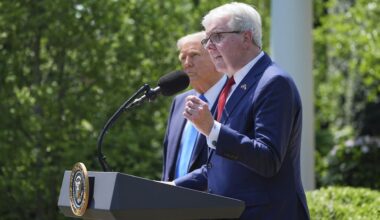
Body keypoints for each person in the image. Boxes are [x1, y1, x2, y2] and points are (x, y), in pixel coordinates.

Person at [173, 2, 310, 220]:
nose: (209, 46)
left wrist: (211, 129)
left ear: (246, 38)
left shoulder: (273, 82)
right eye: (207, 39)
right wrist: (171, 186)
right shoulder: (231, 86)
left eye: (217, 36)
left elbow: (268, 159)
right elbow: (218, 168)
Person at [161, 31, 226, 182]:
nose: (187, 63)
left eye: (194, 55)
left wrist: (177, 186)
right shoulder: (179, 101)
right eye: (183, 57)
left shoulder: (233, 97)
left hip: (214, 202)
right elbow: (169, 164)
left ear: (216, 56)